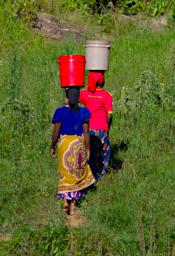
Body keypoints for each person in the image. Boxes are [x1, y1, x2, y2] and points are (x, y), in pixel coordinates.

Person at [50, 87, 95, 215]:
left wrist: (52, 146)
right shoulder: (83, 112)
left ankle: (65, 200)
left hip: (64, 146)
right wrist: (88, 148)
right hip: (78, 145)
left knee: (65, 174)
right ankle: (74, 205)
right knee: (77, 175)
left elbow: (55, 132)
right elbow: (86, 133)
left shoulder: (60, 112)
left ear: (67, 98)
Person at [79, 71, 113, 180]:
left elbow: (69, 100)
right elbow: (109, 115)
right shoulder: (107, 95)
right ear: (102, 81)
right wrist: (107, 128)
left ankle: (85, 174)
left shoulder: (85, 93)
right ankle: (100, 174)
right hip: (101, 129)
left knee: (86, 151)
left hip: (87, 129)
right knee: (105, 151)